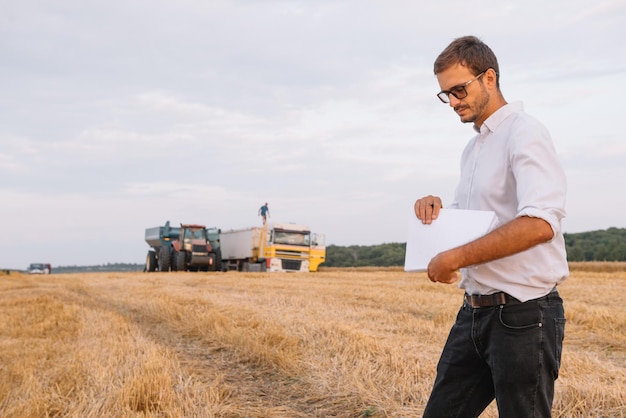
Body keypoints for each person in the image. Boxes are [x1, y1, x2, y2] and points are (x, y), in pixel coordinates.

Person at [415, 36, 568, 417]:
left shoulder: (524, 132)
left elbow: (539, 223)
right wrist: (437, 212)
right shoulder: (474, 148)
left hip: (523, 315)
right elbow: (478, 221)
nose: (452, 102)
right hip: (474, 312)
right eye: (445, 95)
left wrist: (455, 257)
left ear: (488, 78)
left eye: (458, 89)